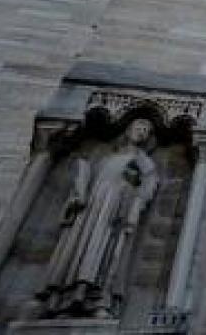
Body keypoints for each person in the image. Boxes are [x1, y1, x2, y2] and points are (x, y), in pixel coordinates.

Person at [36, 119, 159, 318]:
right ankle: (65, 301)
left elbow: (148, 186)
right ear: (128, 130)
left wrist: (135, 206)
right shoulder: (105, 157)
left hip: (118, 209)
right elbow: (85, 179)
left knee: (107, 252)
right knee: (79, 249)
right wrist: (78, 196)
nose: (142, 132)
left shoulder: (144, 161)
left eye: (146, 130)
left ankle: (98, 301)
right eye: (138, 128)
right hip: (92, 208)